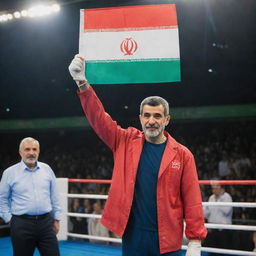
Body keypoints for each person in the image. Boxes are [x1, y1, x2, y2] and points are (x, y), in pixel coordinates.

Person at [68, 55, 207, 256]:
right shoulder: (124, 141)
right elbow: (99, 119)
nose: (152, 121)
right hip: (133, 236)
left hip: (168, 239)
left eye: (157, 116)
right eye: (147, 115)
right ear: (140, 118)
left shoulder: (183, 155)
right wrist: (81, 82)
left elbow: (192, 198)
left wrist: (195, 239)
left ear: (166, 119)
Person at [0, 137, 61, 256]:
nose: (31, 153)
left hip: (46, 223)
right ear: (20, 152)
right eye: (27, 149)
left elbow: (54, 195)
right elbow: (1, 198)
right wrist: (9, 219)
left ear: (38, 151)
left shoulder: (47, 169)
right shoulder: (10, 173)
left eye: (34, 149)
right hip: (21, 224)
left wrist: (57, 218)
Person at [203, 184, 233, 255]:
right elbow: (206, 213)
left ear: (221, 188)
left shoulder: (227, 197)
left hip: (223, 230)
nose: (214, 190)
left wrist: (218, 199)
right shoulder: (211, 198)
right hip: (212, 230)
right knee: (212, 251)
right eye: (213, 188)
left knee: (222, 252)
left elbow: (227, 210)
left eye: (216, 188)